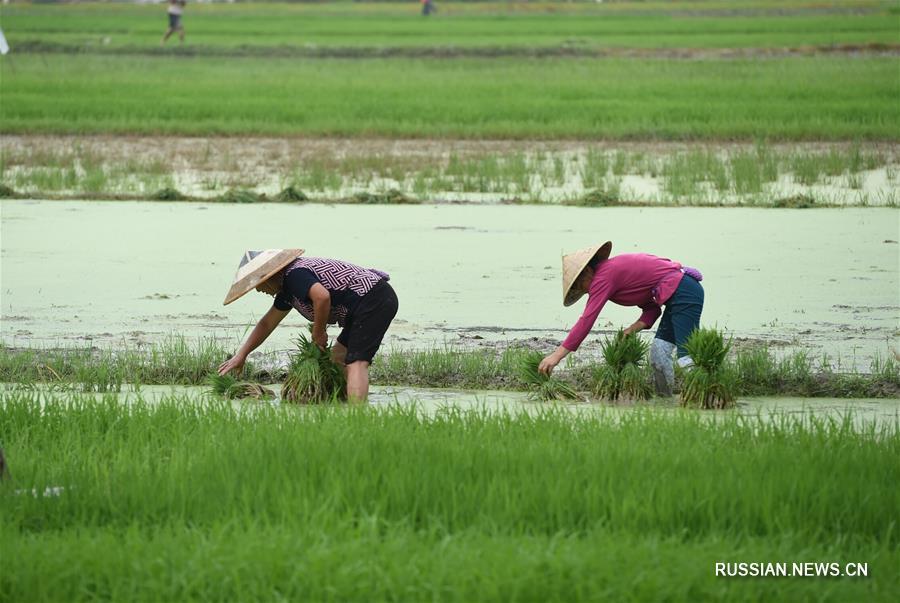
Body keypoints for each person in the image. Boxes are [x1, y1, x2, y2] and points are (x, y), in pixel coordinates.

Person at [218, 249, 399, 402]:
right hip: (364, 304)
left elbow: (322, 297)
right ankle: (347, 402)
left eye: (258, 285)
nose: (258, 290)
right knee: (338, 357)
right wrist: (241, 355)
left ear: (269, 277)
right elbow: (267, 323)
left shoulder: (294, 275)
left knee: (356, 362)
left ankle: (358, 415)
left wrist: (318, 332)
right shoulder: (287, 291)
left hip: (374, 299)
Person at [538, 241, 704, 396]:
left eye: (580, 286)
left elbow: (586, 320)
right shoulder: (609, 278)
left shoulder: (604, 276)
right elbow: (652, 309)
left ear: (587, 272)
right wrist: (631, 330)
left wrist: (556, 355)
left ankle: (702, 396)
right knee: (658, 354)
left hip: (684, 292)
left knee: (685, 357)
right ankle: (665, 400)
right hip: (677, 294)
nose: (586, 292)